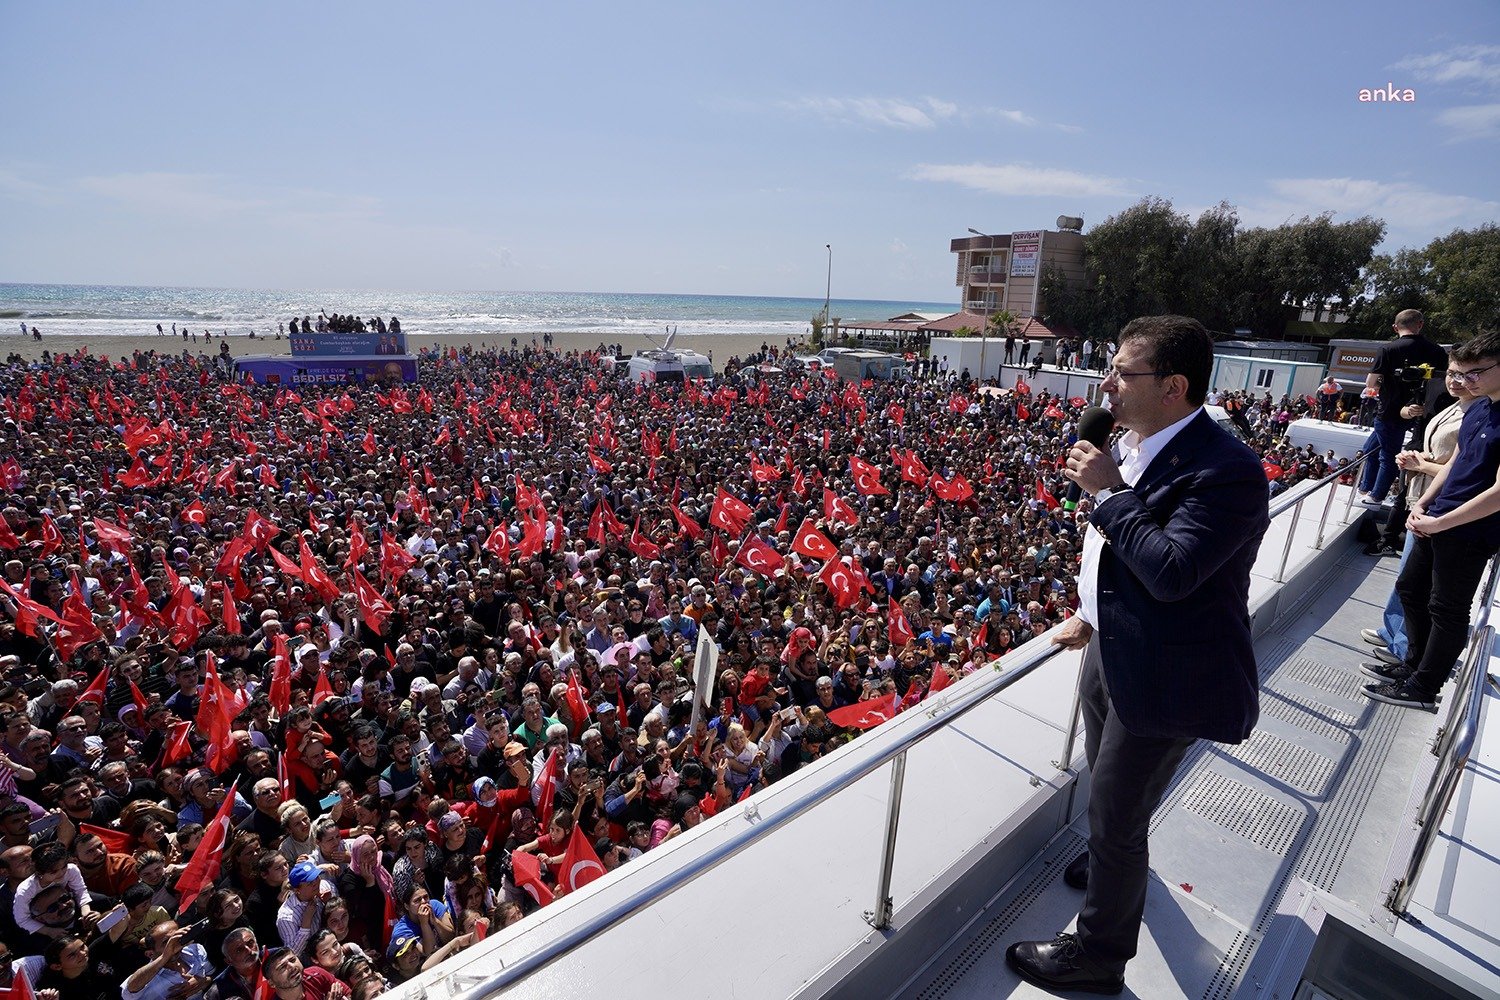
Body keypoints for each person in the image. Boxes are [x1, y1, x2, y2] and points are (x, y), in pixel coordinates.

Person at [1006, 316, 1270, 995]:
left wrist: (1109, 492)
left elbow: (1174, 570)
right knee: (1111, 795)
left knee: (1117, 816)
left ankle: (1097, 956)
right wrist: (1089, 618)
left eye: (1125, 373)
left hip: (1166, 672)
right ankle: (1110, 867)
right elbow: (1116, 551)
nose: (1107, 385)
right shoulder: (1136, 440)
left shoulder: (1229, 471)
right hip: (1112, 644)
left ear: (1174, 386)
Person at [1365, 331, 1500, 712]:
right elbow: (1456, 463)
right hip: (1437, 518)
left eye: (1477, 373)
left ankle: (1424, 686)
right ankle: (1413, 665)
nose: (1467, 381)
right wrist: (1423, 505)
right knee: (1411, 589)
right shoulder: (1477, 408)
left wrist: (1443, 523)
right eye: (1463, 373)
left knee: (1447, 608)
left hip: (1470, 530)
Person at [1360, 309, 1447, 506]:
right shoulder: (1437, 351)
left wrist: (1388, 383)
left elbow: (1371, 383)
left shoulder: (1388, 350)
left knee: (1387, 456)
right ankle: (1365, 488)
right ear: (1420, 325)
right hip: (1424, 410)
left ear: (1395, 327)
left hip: (1390, 410)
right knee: (1369, 449)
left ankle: (1376, 496)